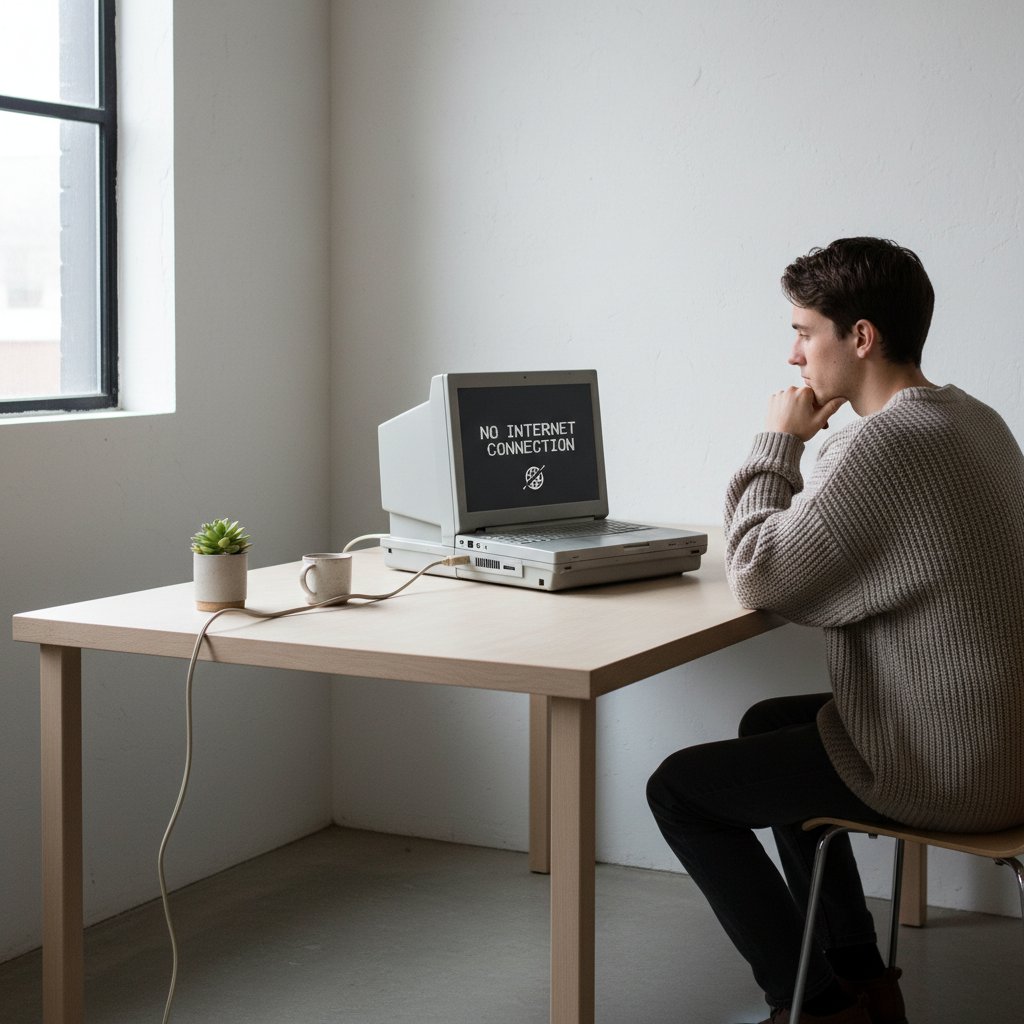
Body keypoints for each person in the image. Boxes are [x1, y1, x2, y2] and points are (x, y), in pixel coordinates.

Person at [646, 237, 1024, 1024]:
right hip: (1002, 744)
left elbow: (759, 573)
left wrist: (779, 442)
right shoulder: (972, 416)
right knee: (768, 724)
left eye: (803, 332)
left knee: (679, 791)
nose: (793, 356)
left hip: (955, 769)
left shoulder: (884, 444)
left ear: (860, 337)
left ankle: (814, 1006)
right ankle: (860, 977)